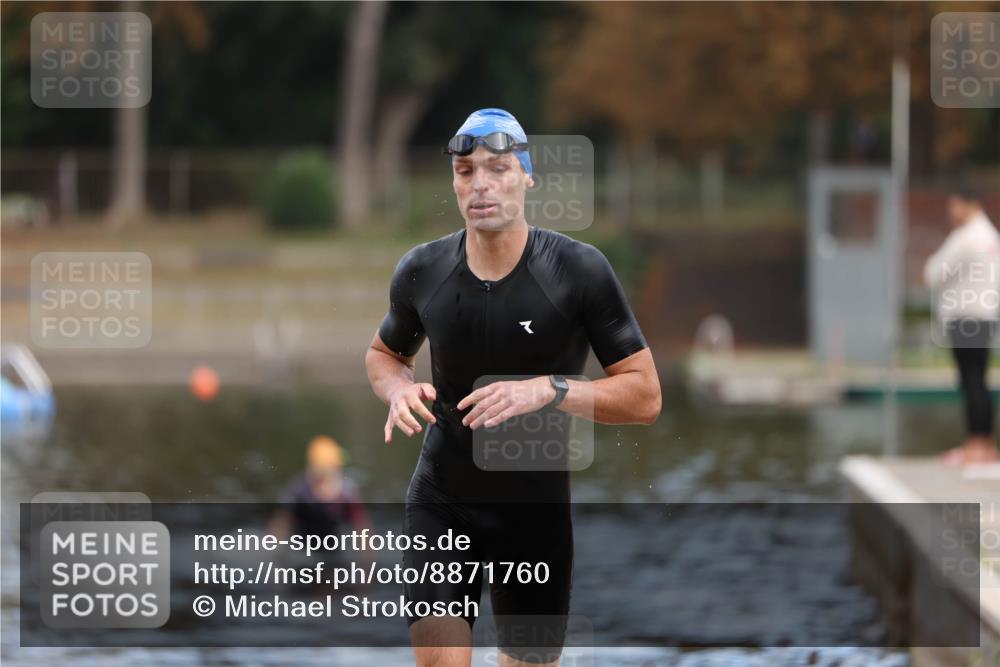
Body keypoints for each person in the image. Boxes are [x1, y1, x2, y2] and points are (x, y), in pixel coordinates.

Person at [365, 108, 661, 667]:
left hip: (535, 512)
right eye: (465, 170)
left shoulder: (579, 271)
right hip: (442, 501)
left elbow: (645, 397)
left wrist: (550, 389)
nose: (480, 185)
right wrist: (397, 389)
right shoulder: (422, 270)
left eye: (498, 168)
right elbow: (384, 355)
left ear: (527, 175)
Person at [924, 188, 1000, 465]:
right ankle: (984, 444)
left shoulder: (966, 239)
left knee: (971, 381)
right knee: (979, 379)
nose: (950, 212)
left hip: (965, 316)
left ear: (969, 205)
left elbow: (933, 273)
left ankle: (975, 446)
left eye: (954, 205)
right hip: (985, 315)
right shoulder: (992, 237)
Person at [269, 435, 370, 539]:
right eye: (332, 467)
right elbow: (280, 527)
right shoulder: (298, 492)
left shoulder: (347, 492)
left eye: (337, 468)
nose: (337, 471)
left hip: (333, 547)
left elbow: (362, 528)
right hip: (302, 547)